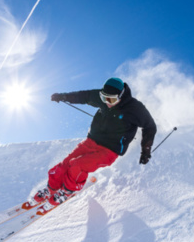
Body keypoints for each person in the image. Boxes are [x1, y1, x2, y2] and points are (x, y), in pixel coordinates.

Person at [27, 77, 157, 213]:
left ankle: (68, 191)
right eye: (104, 98)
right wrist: (63, 96)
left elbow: (150, 126)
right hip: (91, 142)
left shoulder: (135, 108)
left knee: (77, 165)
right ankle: (52, 189)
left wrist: (146, 150)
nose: (107, 103)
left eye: (111, 100)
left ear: (121, 96)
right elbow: (83, 96)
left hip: (110, 150)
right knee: (65, 164)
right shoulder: (103, 98)